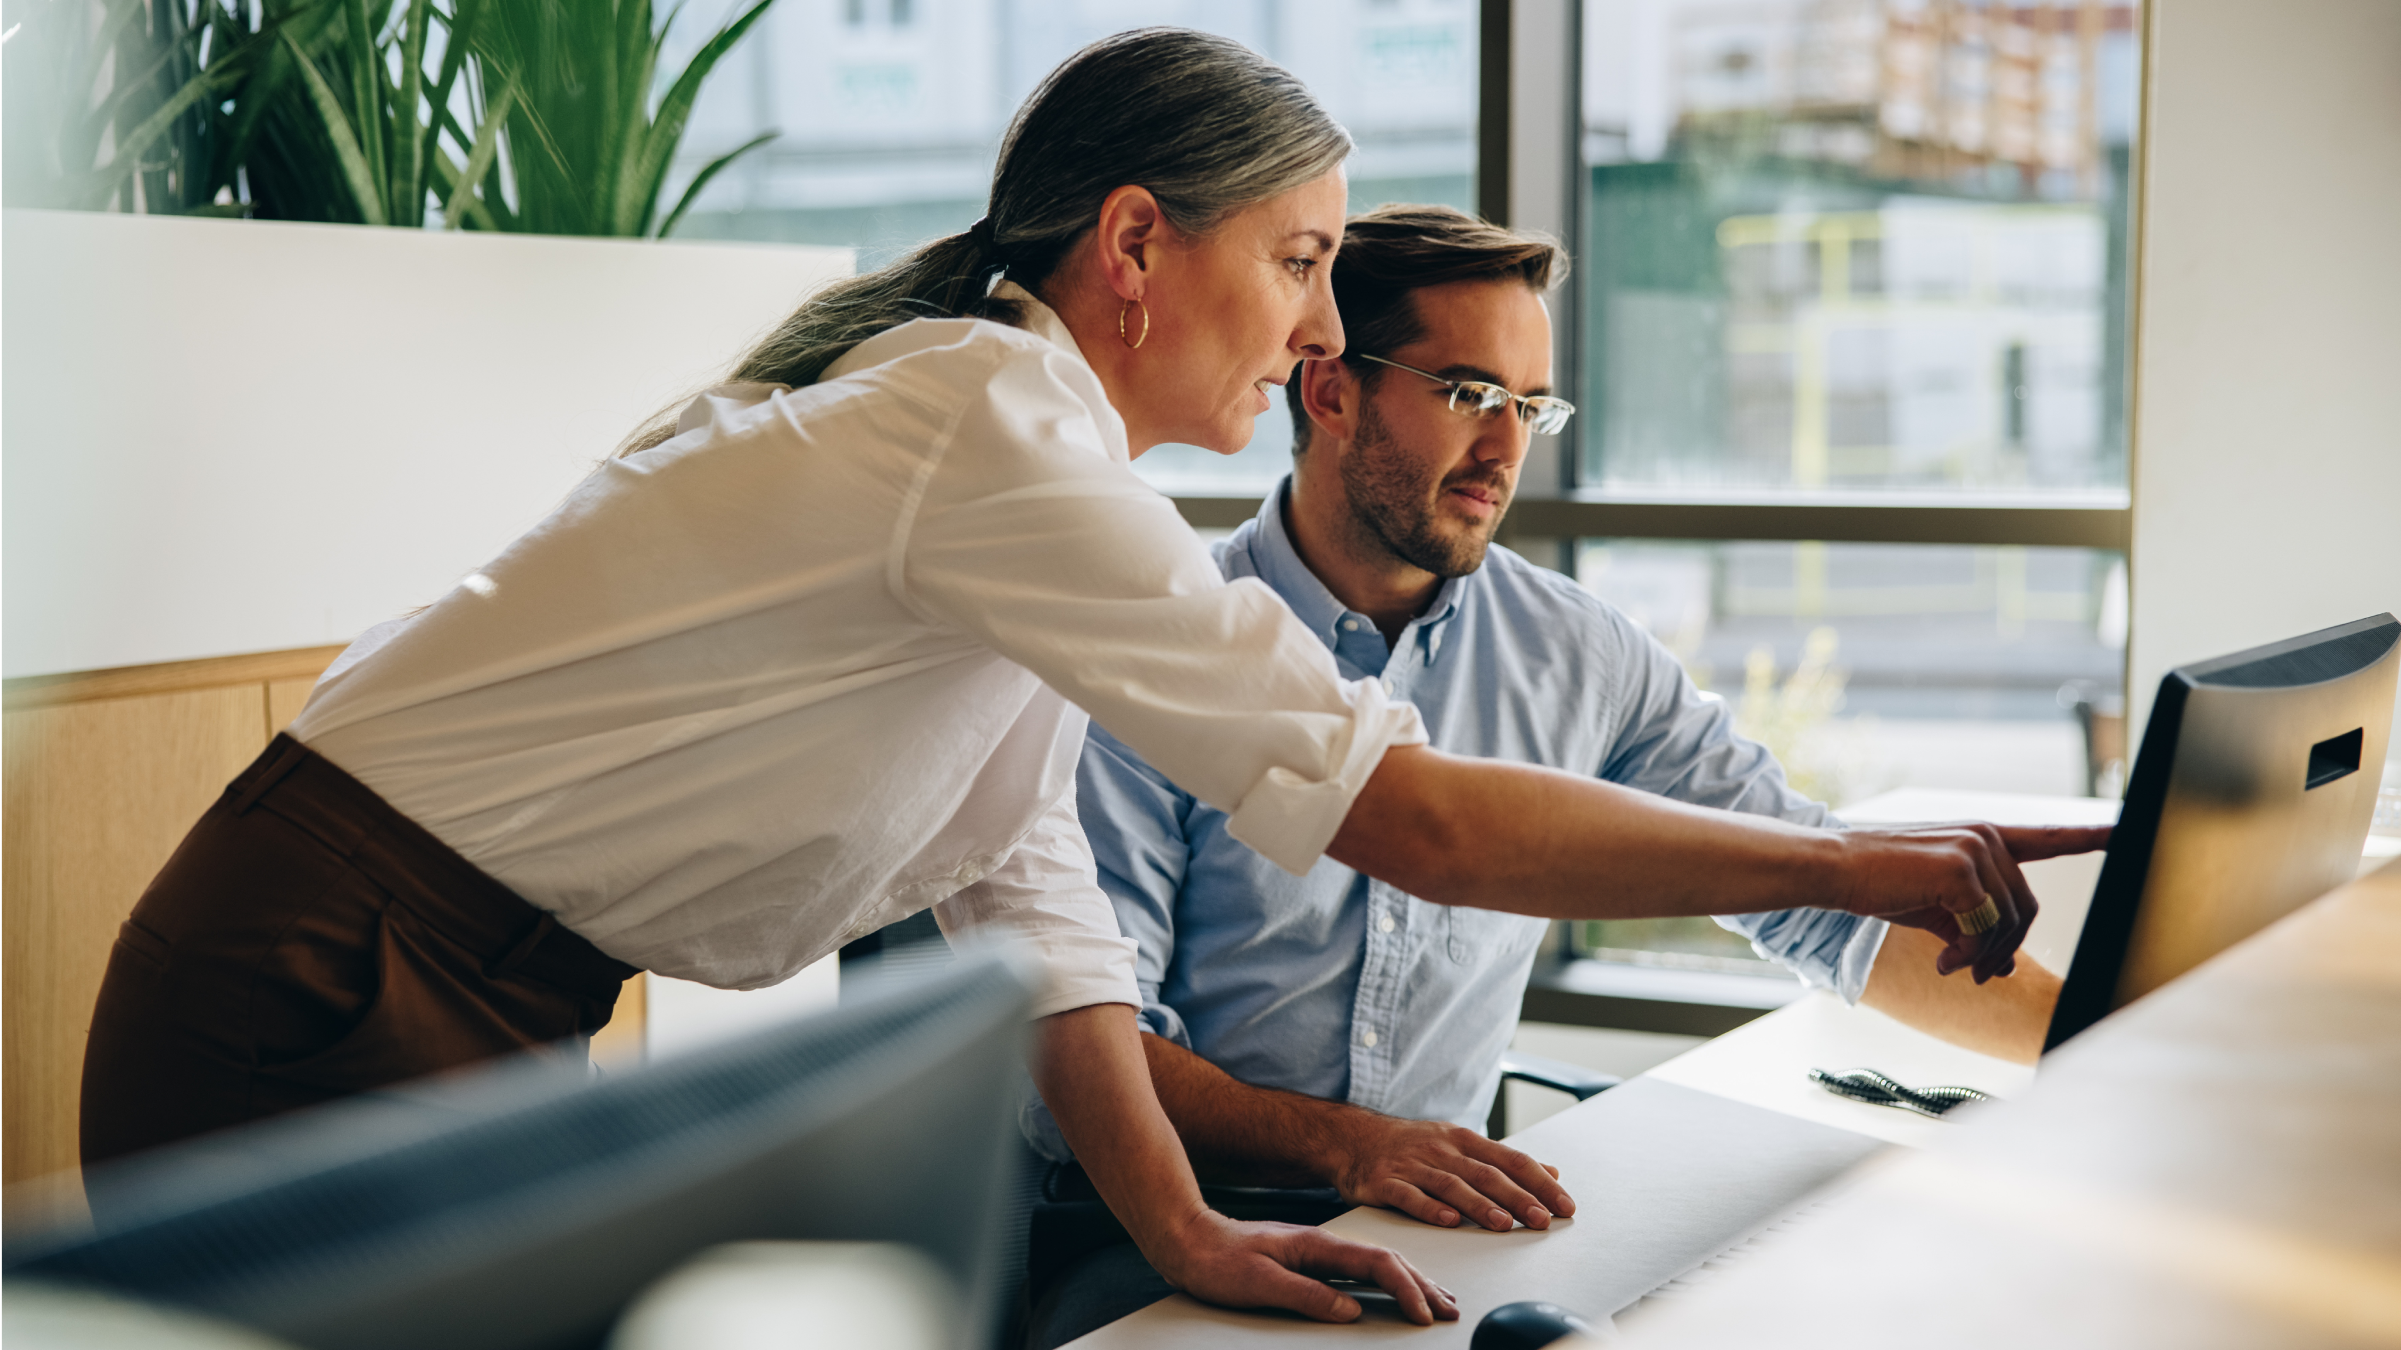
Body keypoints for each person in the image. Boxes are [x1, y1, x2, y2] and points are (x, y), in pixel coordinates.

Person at [78, 29, 2092, 1329]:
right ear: (1139, 244)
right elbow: (1412, 818)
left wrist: (1187, 1237)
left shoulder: (1033, 489)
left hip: (455, 979)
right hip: (326, 969)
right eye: (1298, 261)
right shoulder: (992, 437)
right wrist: (1860, 869)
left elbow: (1029, 905)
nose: (1315, 325)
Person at [1017, 205, 2075, 1344]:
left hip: (1442, 1224)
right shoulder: (1157, 647)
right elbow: (1090, 1036)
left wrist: (2098, 1055)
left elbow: (1822, 904)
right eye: (1471, 395)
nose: (1507, 449)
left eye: (1530, 406)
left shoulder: (1576, 652)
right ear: (1329, 391)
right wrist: (1352, 1144)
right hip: (1159, 1228)